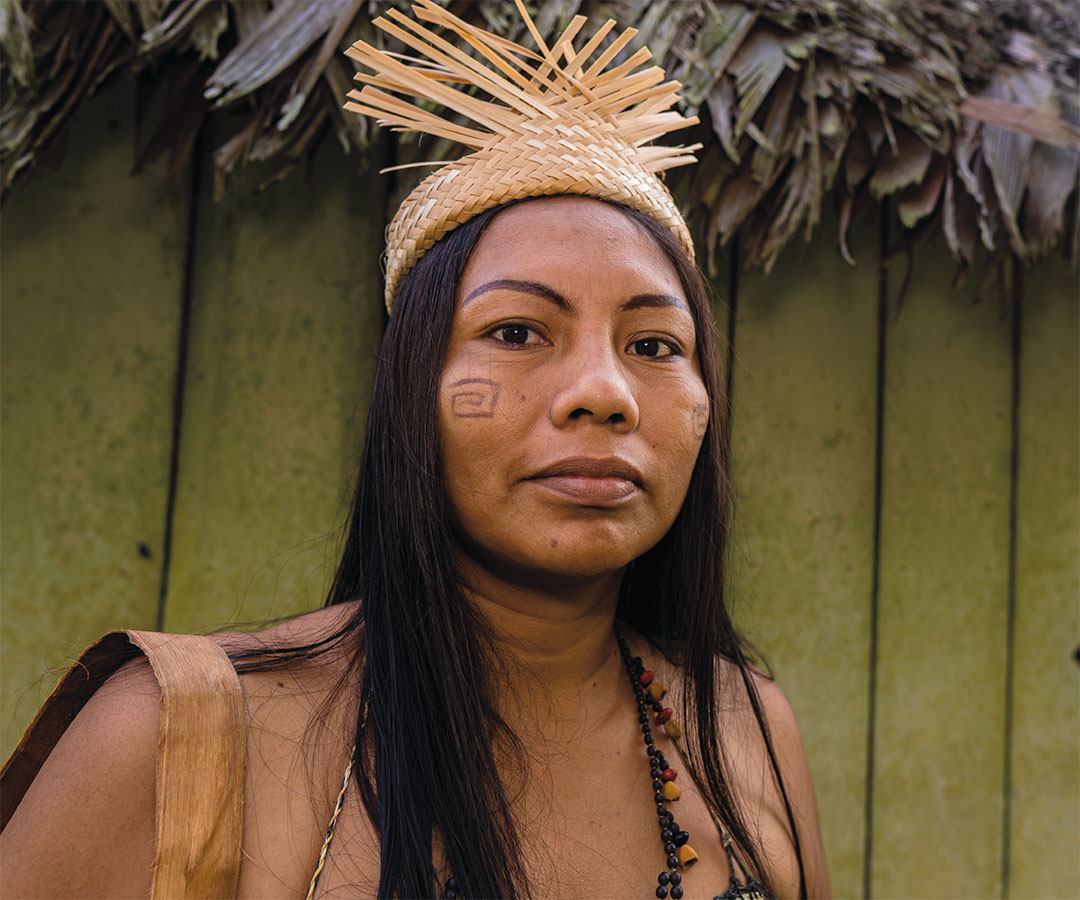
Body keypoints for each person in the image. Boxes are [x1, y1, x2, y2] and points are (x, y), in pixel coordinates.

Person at [0, 3, 830, 898]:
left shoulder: (743, 725)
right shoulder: (180, 732)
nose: (605, 392)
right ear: (410, 397)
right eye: (516, 331)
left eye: (655, 345)